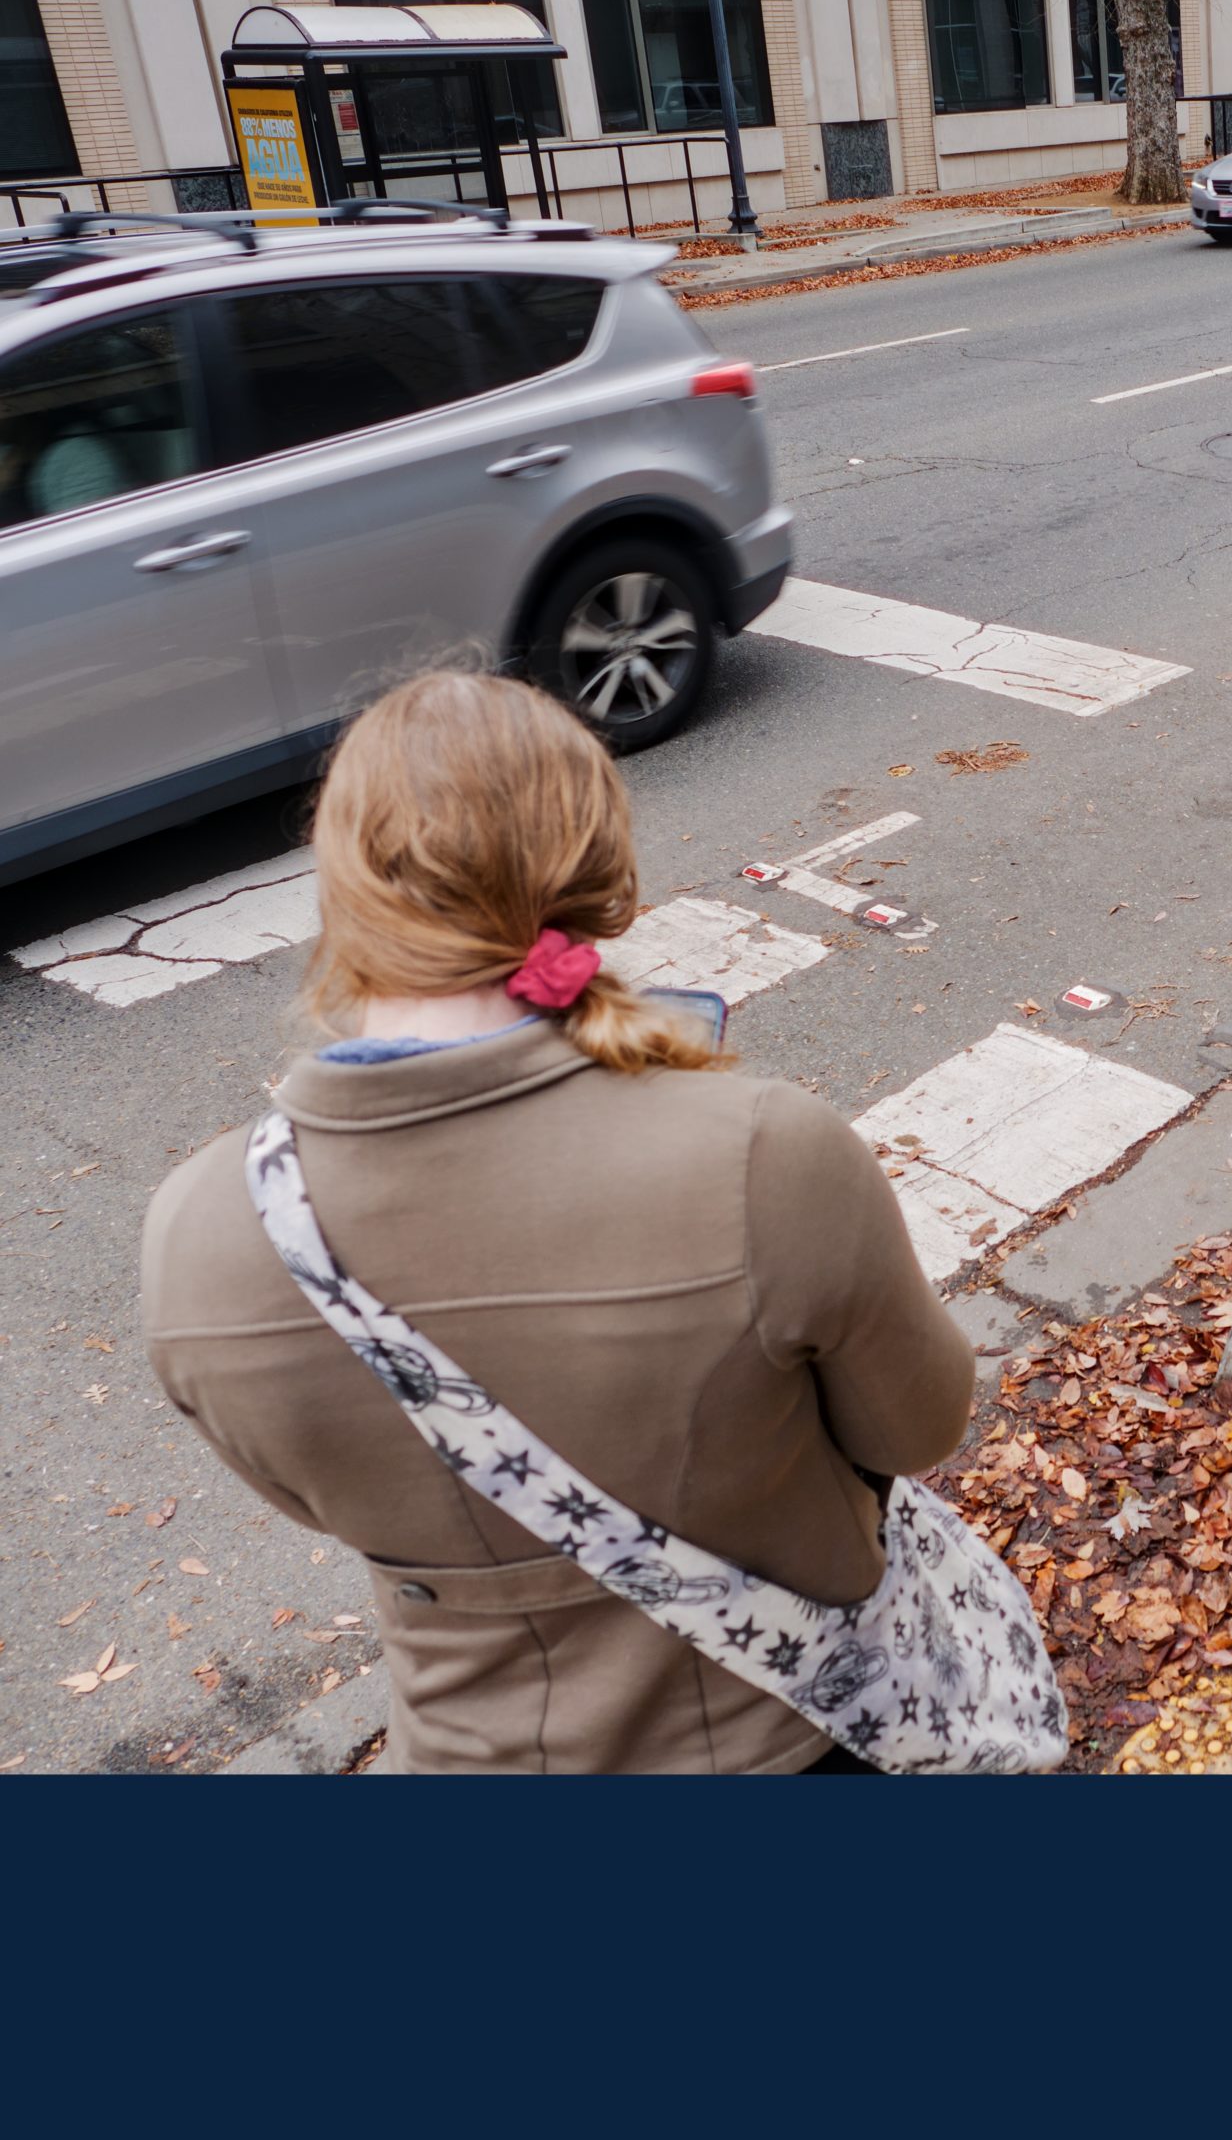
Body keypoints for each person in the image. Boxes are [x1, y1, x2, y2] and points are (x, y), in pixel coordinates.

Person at [141, 672, 976, 1774]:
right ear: (599, 876)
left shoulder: (197, 1236)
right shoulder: (765, 1157)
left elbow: (313, 1500)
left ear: (342, 890)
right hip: (786, 1733)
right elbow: (916, 1430)